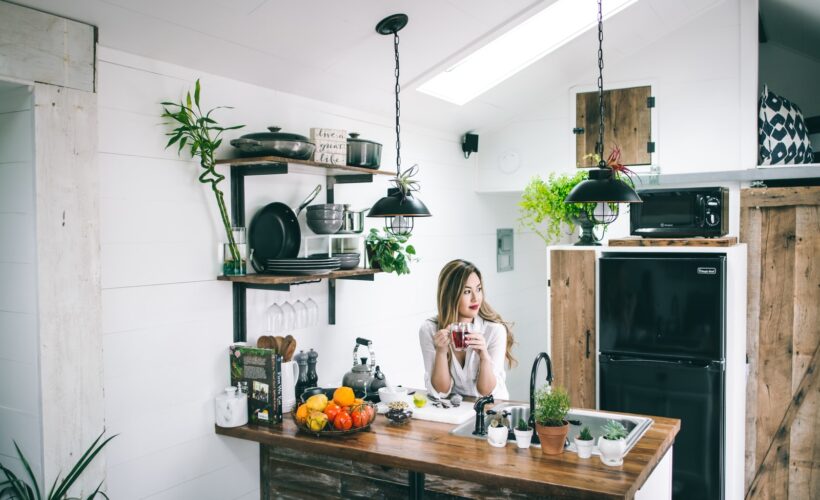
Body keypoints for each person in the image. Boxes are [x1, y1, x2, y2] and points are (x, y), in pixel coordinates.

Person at [419, 259, 516, 400]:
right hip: (457, 411)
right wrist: (441, 352)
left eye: (478, 289)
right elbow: (441, 391)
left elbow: (486, 392)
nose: (475, 298)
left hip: (493, 410)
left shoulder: (494, 331)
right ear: (450, 295)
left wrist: (484, 356)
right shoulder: (429, 330)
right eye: (467, 291)